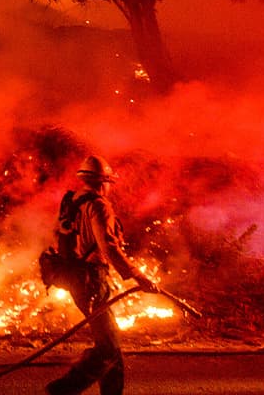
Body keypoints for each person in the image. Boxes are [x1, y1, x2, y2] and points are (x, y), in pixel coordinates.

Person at [46, 154, 157, 395]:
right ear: (103, 181)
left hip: (77, 277)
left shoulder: (73, 201)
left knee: (111, 347)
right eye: (109, 182)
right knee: (108, 349)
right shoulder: (99, 205)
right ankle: (63, 390)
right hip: (92, 280)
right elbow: (108, 246)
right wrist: (139, 276)